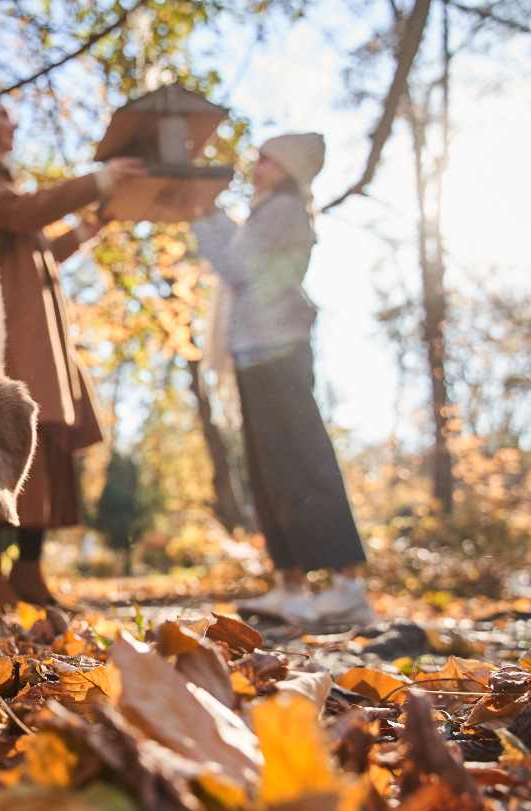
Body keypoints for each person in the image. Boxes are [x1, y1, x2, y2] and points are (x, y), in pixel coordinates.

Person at [0, 94, 144, 608]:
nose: (15, 122)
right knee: (3, 439)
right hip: (4, 338)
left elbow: (40, 248)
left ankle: (27, 569)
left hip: (35, 338)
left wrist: (91, 228)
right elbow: (23, 214)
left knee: (43, 447)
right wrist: (100, 179)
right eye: (4, 114)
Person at [192, 132, 374, 627]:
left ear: (289, 169)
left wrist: (200, 209)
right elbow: (241, 255)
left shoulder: (283, 209)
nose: (258, 166)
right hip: (255, 354)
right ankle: (290, 585)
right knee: (268, 471)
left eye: (267, 160)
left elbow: (236, 266)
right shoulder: (266, 211)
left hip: (277, 354)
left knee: (303, 462)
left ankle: (347, 584)